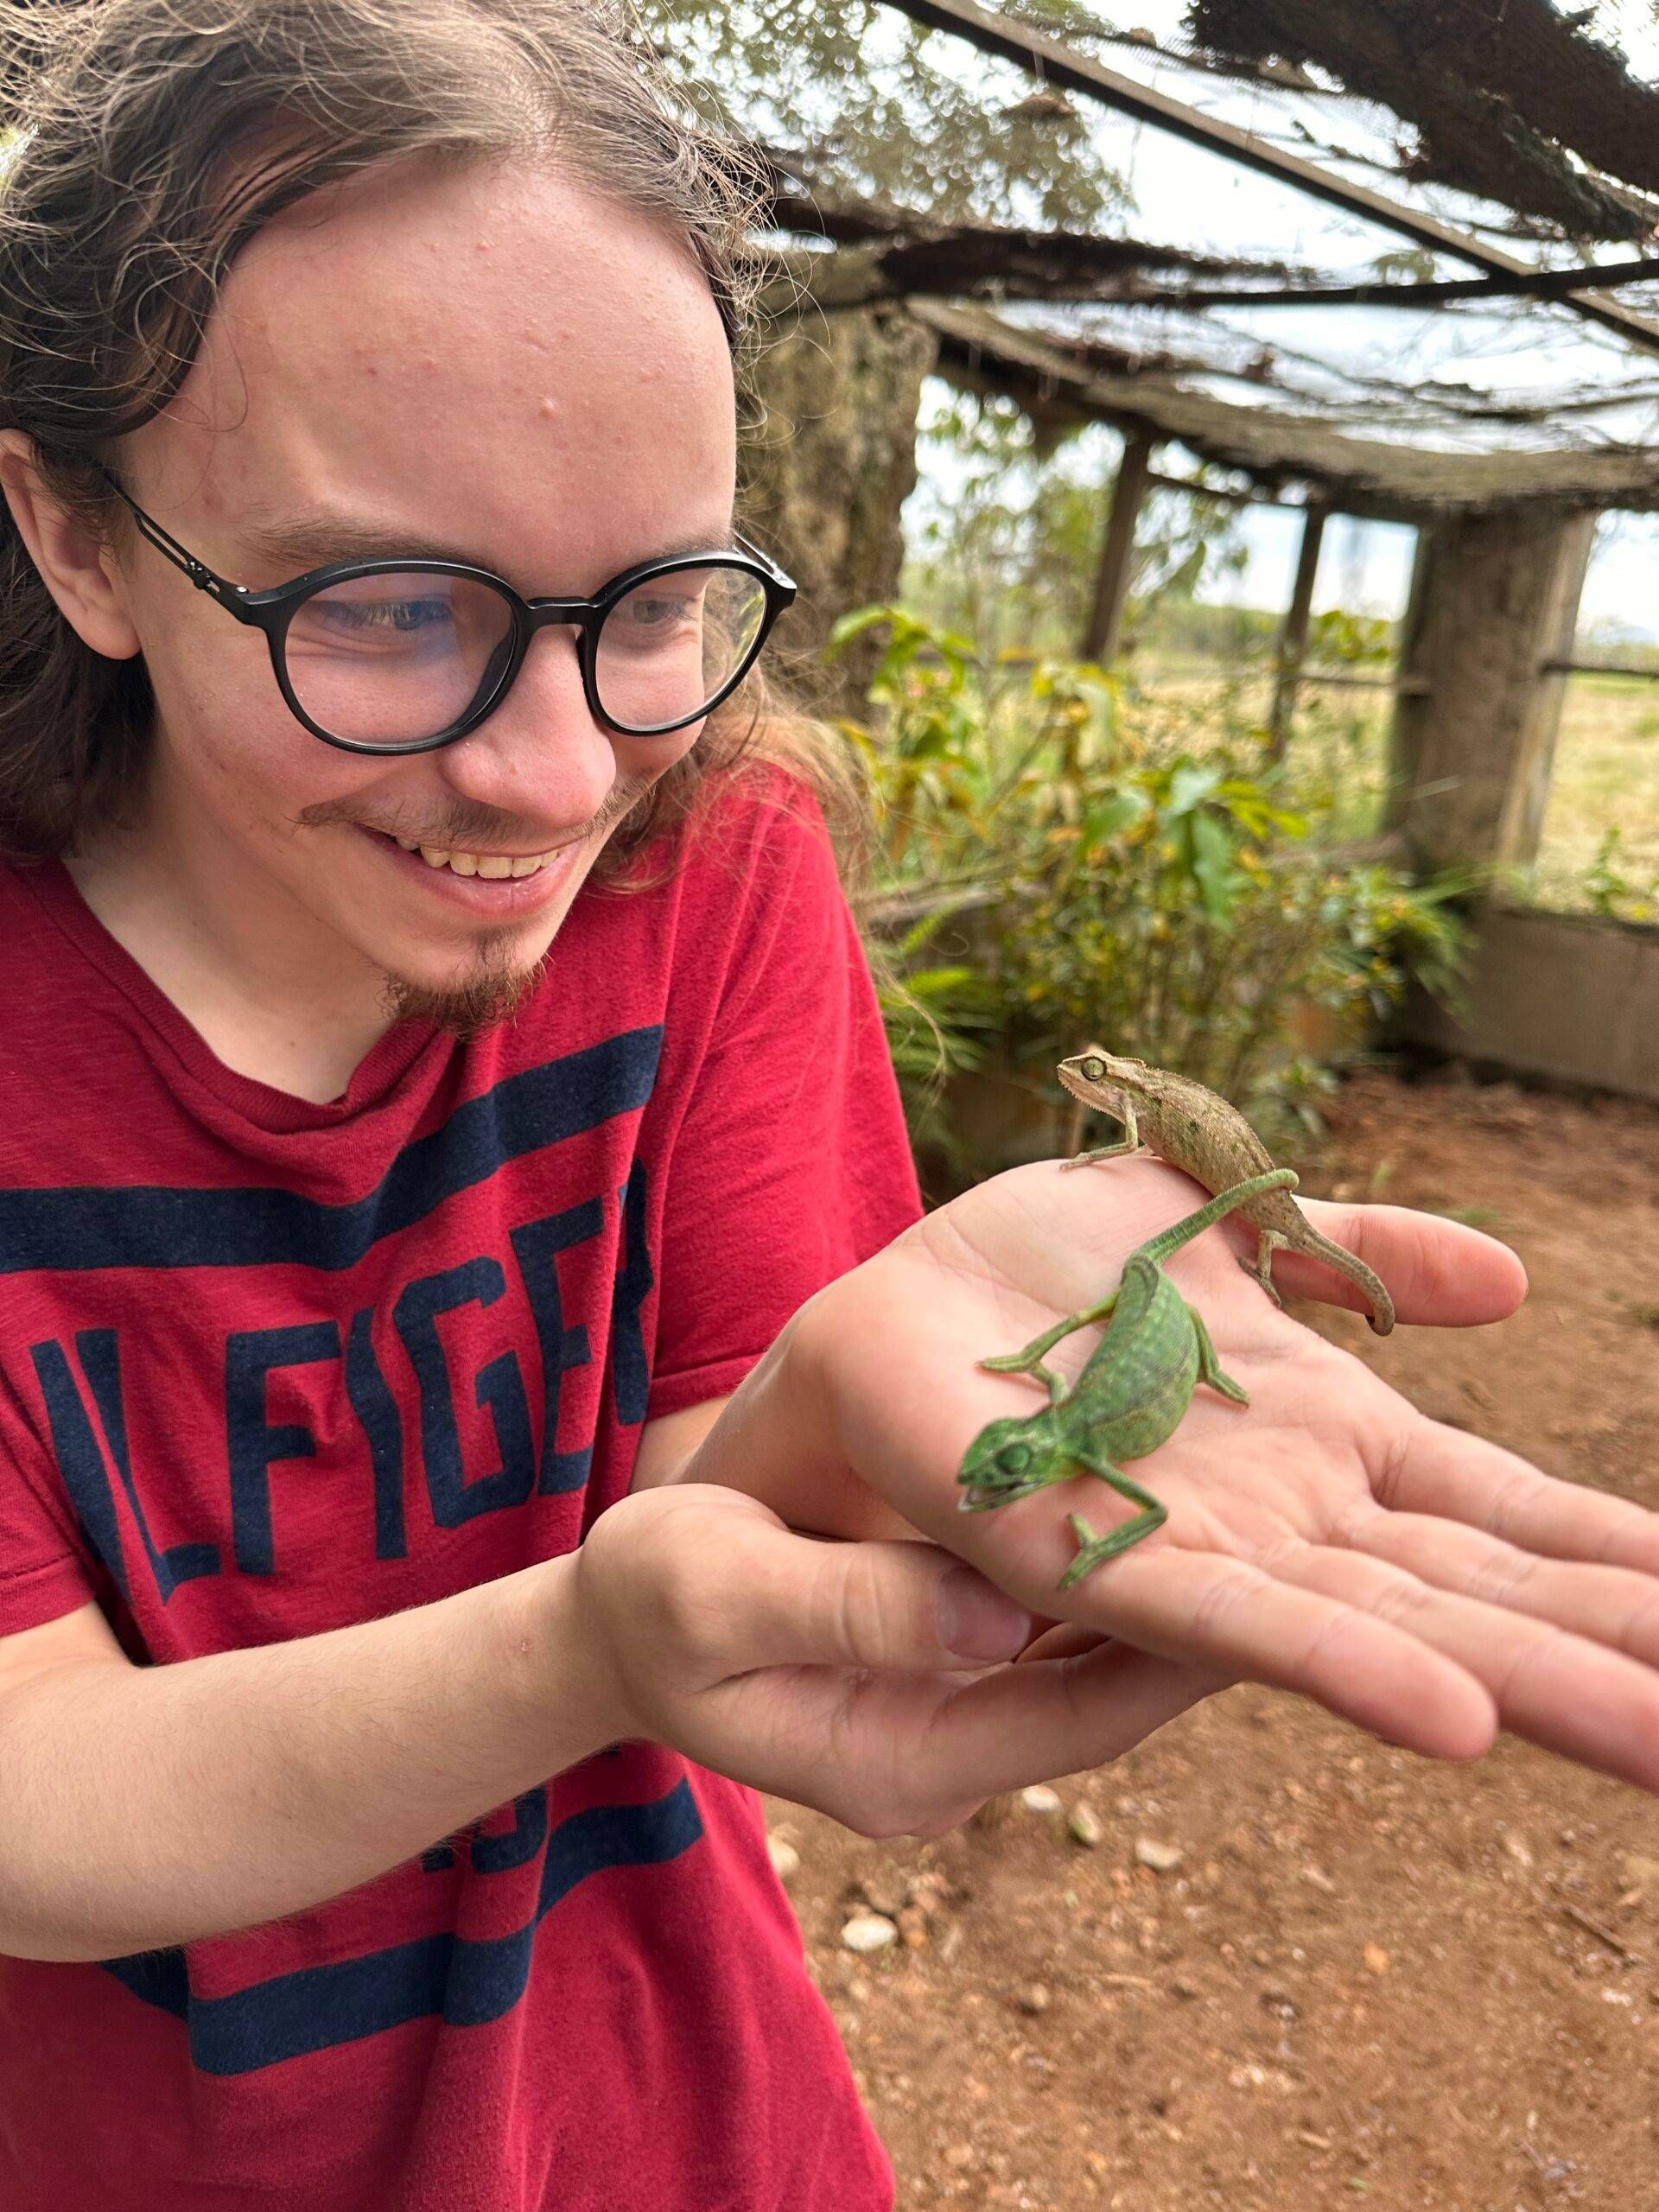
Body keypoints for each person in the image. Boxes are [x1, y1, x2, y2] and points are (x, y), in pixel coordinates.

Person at [1, 3, 1656, 2208]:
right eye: (389, 605)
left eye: (661, 601)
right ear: (79, 537)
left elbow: (742, 1476)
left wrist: (860, 1424)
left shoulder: (720, 869)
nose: (561, 772)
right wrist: (588, 1634)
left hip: (692, 2127)